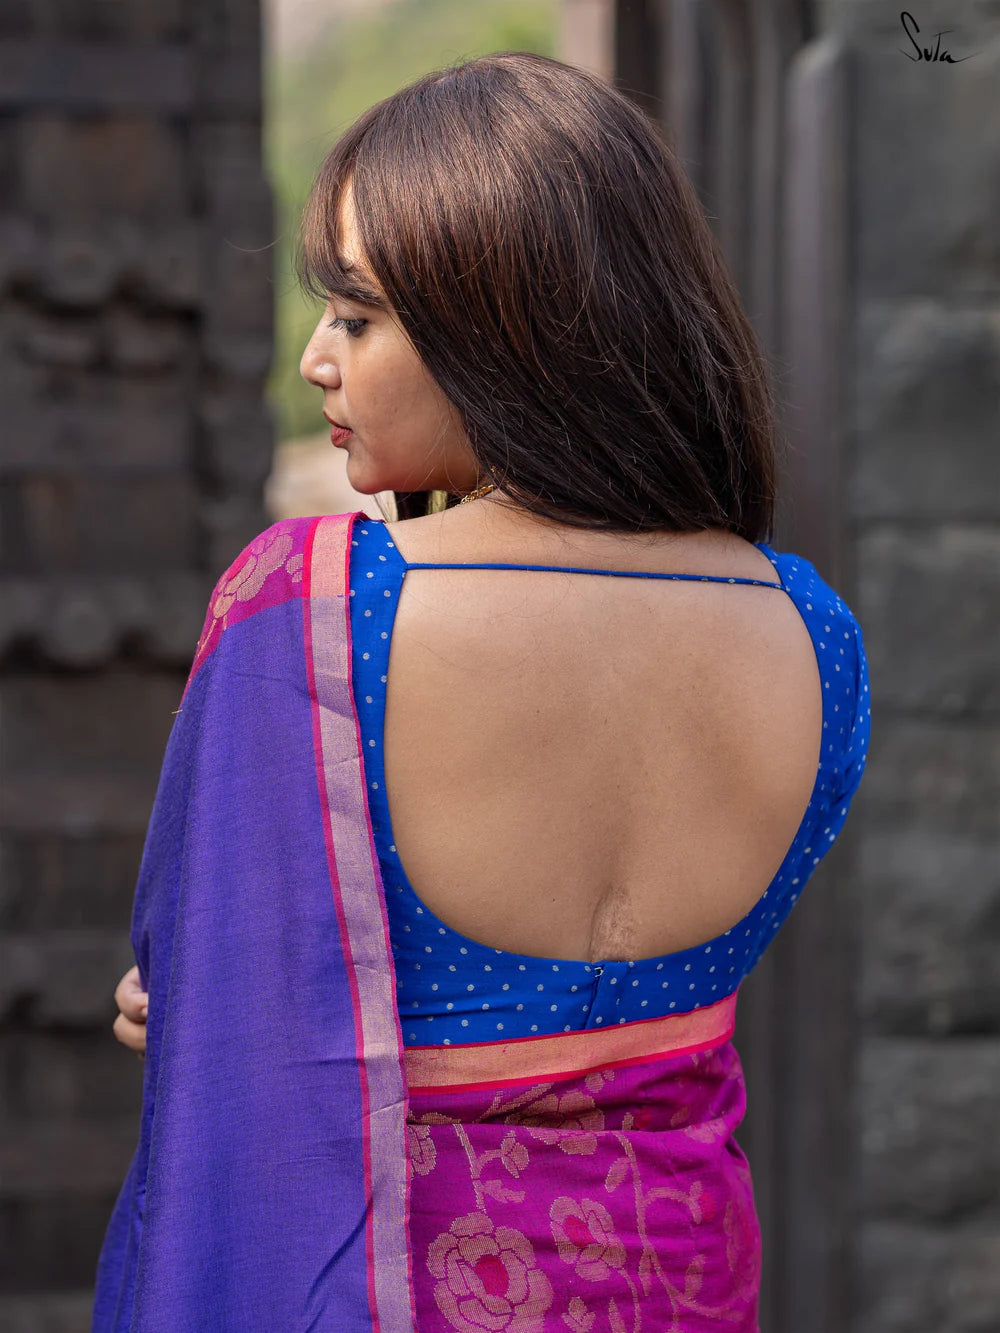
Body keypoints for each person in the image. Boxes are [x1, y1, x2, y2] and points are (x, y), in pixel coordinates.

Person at [97, 51, 870, 1332]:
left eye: (356, 316)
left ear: (499, 324)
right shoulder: (812, 632)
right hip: (687, 1282)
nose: (314, 360)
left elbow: (224, 1022)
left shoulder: (320, 607)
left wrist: (205, 997)